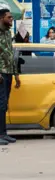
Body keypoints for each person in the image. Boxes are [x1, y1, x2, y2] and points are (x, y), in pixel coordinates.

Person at [0, 9, 20, 146]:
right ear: (1, 18)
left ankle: (3, 133)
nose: (11, 20)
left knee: (4, 104)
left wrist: (16, 74)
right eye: (9, 17)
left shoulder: (7, 32)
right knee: (0, 104)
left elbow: (10, 55)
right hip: (0, 72)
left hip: (8, 72)